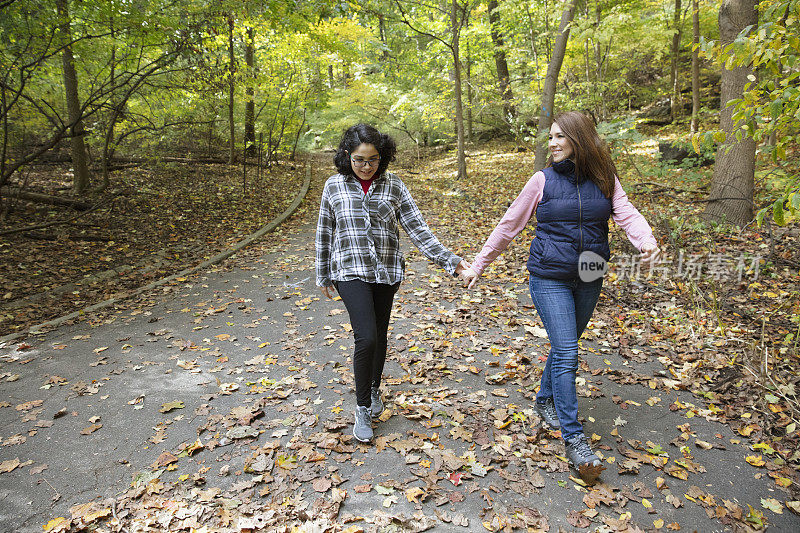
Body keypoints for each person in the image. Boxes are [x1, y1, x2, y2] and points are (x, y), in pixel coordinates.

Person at [460, 111, 659, 483]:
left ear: (579, 139)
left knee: (566, 342)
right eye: (549, 137)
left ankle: (544, 400)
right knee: (568, 350)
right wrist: (479, 264)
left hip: (590, 271)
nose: (551, 144)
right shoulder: (542, 180)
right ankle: (575, 440)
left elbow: (627, 214)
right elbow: (509, 224)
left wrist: (646, 242)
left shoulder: (604, 179)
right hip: (549, 275)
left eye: (558, 137)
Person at [316, 123, 470, 443]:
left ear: (382, 157)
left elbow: (418, 230)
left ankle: (374, 390)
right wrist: (322, 272)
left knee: (380, 334)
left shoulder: (394, 186)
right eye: (359, 160)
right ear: (347, 156)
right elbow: (325, 230)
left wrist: (450, 261)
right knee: (367, 337)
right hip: (349, 270)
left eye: (373, 160)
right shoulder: (334, 186)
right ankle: (361, 408)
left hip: (386, 271)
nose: (366, 166)